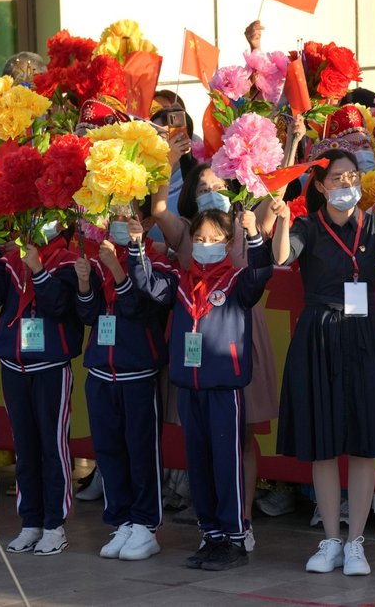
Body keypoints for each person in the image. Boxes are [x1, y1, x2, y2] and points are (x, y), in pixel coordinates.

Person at [271, 150, 375, 575]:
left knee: (364, 443)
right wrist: (282, 217)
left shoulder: (374, 224)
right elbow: (283, 258)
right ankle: (330, 539)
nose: (346, 184)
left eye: (352, 176)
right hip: (319, 333)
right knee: (323, 445)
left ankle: (357, 542)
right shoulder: (307, 224)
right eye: (337, 178)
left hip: (363, 335)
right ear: (320, 187)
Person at [130, 207, 272, 571]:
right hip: (189, 387)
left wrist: (253, 234)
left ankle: (235, 537)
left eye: (214, 240)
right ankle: (211, 535)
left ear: (228, 244)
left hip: (224, 388)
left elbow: (261, 273)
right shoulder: (180, 281)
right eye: (200, 240)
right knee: (199, 464)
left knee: (227, 463)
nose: (206, 246)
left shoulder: (236, 282)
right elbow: (147, 284)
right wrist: (135, 247)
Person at [0, 226, 81, 557]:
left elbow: (59, 305)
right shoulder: (8, 259)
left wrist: (39, 270)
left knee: (52, 447)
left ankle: (54, 526)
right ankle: (30, 522)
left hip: (49, 367)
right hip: (14, 366)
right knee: (25, 448)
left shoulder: (68, 260)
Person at [74, 212, 169, 562]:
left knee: (140, 450)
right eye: (113, 216)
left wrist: (117, 266)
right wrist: (85, 283)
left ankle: (146, 524)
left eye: (127, 216)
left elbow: (138, 309)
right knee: (109, 450)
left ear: (143, 220)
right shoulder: (101, 255)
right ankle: (122, 519)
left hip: (137, 371)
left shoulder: (155, 260)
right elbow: (88, 315)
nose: (119, 223)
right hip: (100, 369)